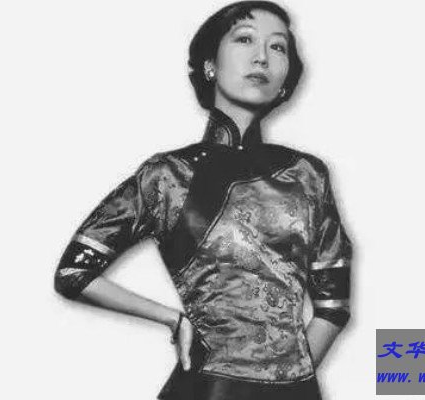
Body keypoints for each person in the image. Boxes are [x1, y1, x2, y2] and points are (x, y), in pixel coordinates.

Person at [54, 1, 352, 399]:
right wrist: (173, 320)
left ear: (285, 81)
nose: (261, 56)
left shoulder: (308, 175)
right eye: (245, 40)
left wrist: (291, 379)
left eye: (278, 47)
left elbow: (333, 305)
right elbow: (74, 272)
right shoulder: (167, 176)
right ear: (210, 65)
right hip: (208, 388)